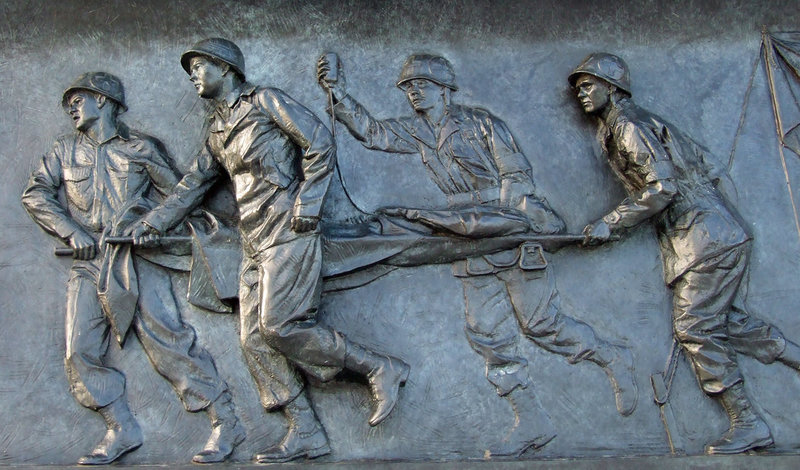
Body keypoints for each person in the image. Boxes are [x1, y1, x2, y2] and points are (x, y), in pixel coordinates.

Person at [318, 53, 638, 458]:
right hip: (464, 235)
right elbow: (373, 133)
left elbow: (516, 177)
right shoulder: (417, 131)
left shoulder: (482, 123)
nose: (414, 92)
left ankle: (612, 357)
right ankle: (531, 420)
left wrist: (500, 223)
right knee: (487, 334)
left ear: (445, 89)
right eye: (409, 88)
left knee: (541, 324)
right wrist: (337, 93)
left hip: (509, 228)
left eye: (421, 85)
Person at [134, 38, 410, 463]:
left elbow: (319, 141)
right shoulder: (217, 130)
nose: (193, 74)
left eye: (200, 65)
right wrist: (152, 223)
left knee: (280, 326)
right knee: (253, 339)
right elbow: (193, 185)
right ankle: (307, 431)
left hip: (289, 227)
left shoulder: (264, 101)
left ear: (226, 69)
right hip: (253, 238)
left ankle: (377, 367)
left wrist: (309, 204)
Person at [570, 52, 800, 454]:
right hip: (711, 235)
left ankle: (747, 423)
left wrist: (614, 221)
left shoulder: (628, 126)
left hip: (704, 240)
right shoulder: (632, 124)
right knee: (730, 326)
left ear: (613, 87)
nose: (580, 94)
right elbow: (708, 168)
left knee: (695, 327)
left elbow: (664, 188)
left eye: (588, 85)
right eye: (577, 88)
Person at [21, 72, 243, 465]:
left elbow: (178, 196)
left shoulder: (141, 148)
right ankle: (120, 426)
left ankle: (224, 420)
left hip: (137, 260)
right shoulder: (63, 149)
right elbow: (36, 193)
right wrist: (71, 232)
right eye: (69, 102)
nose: (72, 106)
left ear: (104, 101)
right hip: (89, 264)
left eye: (79, 98)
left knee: (169, 342)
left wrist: (152, 226)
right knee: (79, 352)